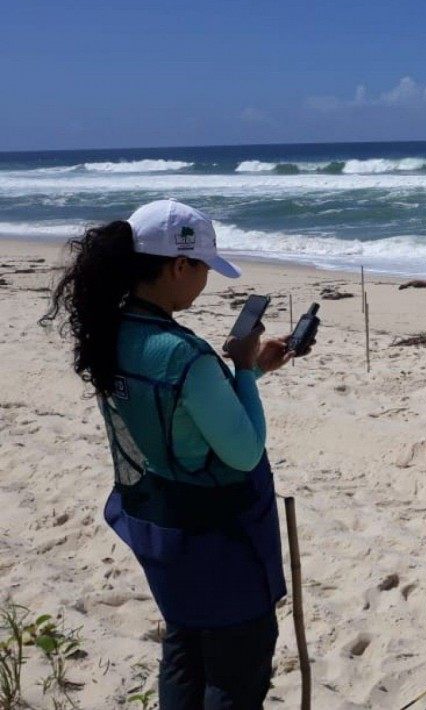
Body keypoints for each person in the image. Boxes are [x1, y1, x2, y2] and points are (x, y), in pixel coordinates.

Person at [41, 199, 308, 709]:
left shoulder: (111, 331)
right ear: (179, 265)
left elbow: (174, 414)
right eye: (204, 267)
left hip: (161, 526)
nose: (207, 279)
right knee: (235, 674)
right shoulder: (183, 353)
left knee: (184, 650)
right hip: (217, 537)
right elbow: (245, 452)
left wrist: (248, 372)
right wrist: (246, 371)